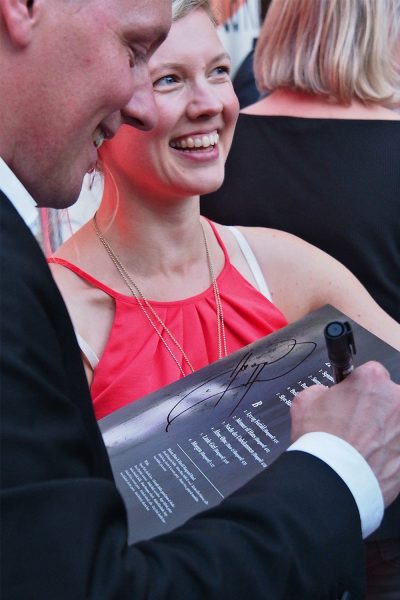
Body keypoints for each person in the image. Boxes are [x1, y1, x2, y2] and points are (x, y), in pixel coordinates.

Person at [1, 1, 400, 599]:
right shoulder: (54, 308)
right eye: (164, 76)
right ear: (118, 114)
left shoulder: (282, 264)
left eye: (219, 71)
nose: (210, 103)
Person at [201, 0, 400, 323]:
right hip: (380, 366)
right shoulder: (214, 141)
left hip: (233, 366)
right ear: (384, 31)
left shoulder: (210, 142)